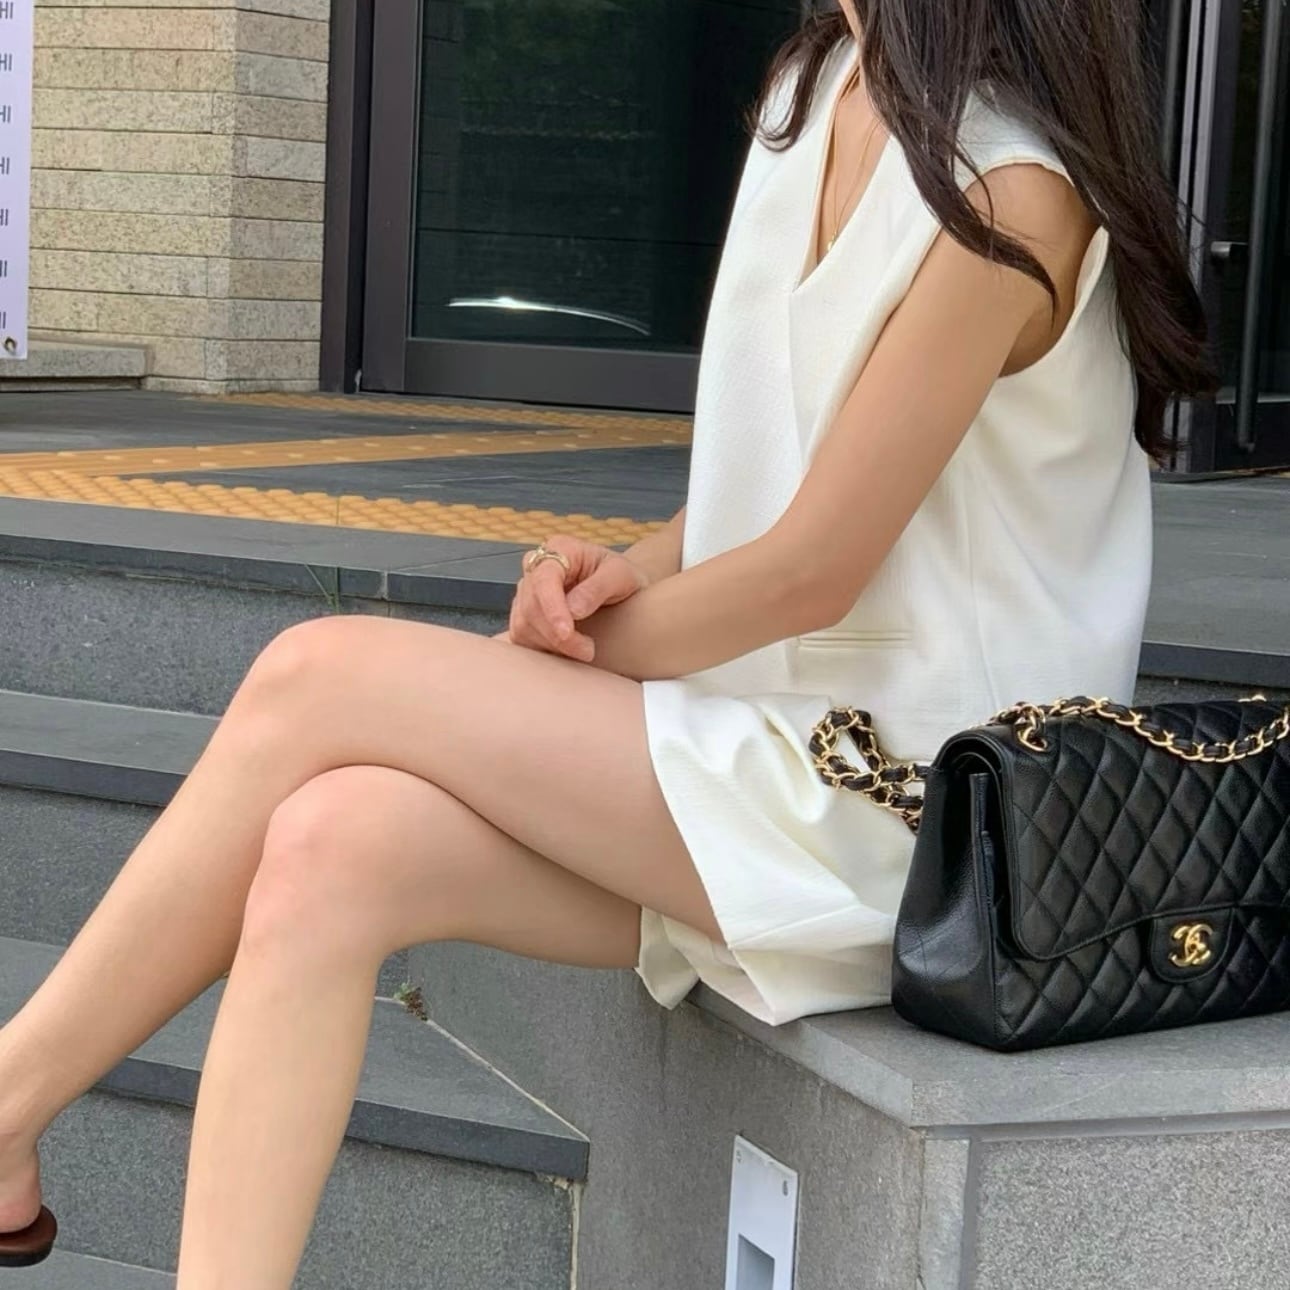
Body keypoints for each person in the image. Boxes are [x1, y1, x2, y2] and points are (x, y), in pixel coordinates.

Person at [0, 0, 1213, 1282]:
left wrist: (548, 667)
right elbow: (763, 494)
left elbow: (813, 568)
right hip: (754, 753)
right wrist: (619, 578)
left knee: (318, 675)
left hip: (933, 823)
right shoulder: (817, 96)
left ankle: (9, 1105)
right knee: (329, 843)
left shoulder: (1012, 193)